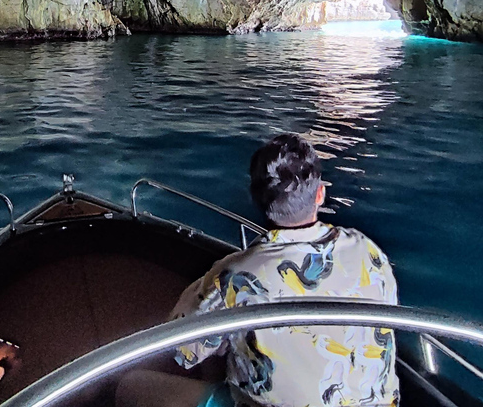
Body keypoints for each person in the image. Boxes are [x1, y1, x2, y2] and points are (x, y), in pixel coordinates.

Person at [117, 134, 399, 407]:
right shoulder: (369, 251)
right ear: (320, 194)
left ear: (256, 200)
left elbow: (180, 349)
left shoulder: (235, 277)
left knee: (131, 385)